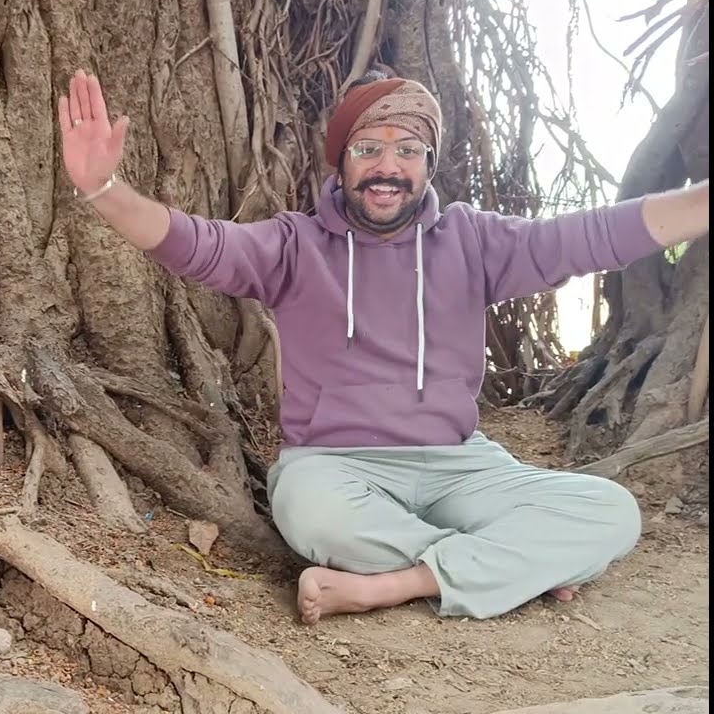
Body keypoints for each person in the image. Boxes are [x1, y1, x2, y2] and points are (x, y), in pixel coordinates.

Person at [56, 68, 710, 624]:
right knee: (312, 515)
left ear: (428, 163)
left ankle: (393, 584)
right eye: (368, 148)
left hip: (461, 465)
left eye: (408, 151)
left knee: (611, 512)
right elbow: (197, 244)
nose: (388, 168)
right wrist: (104, 190)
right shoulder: (293, 247)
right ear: (341, 160)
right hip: (336, 467)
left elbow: (597, 235)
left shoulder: (475, 243)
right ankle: (508, 566)